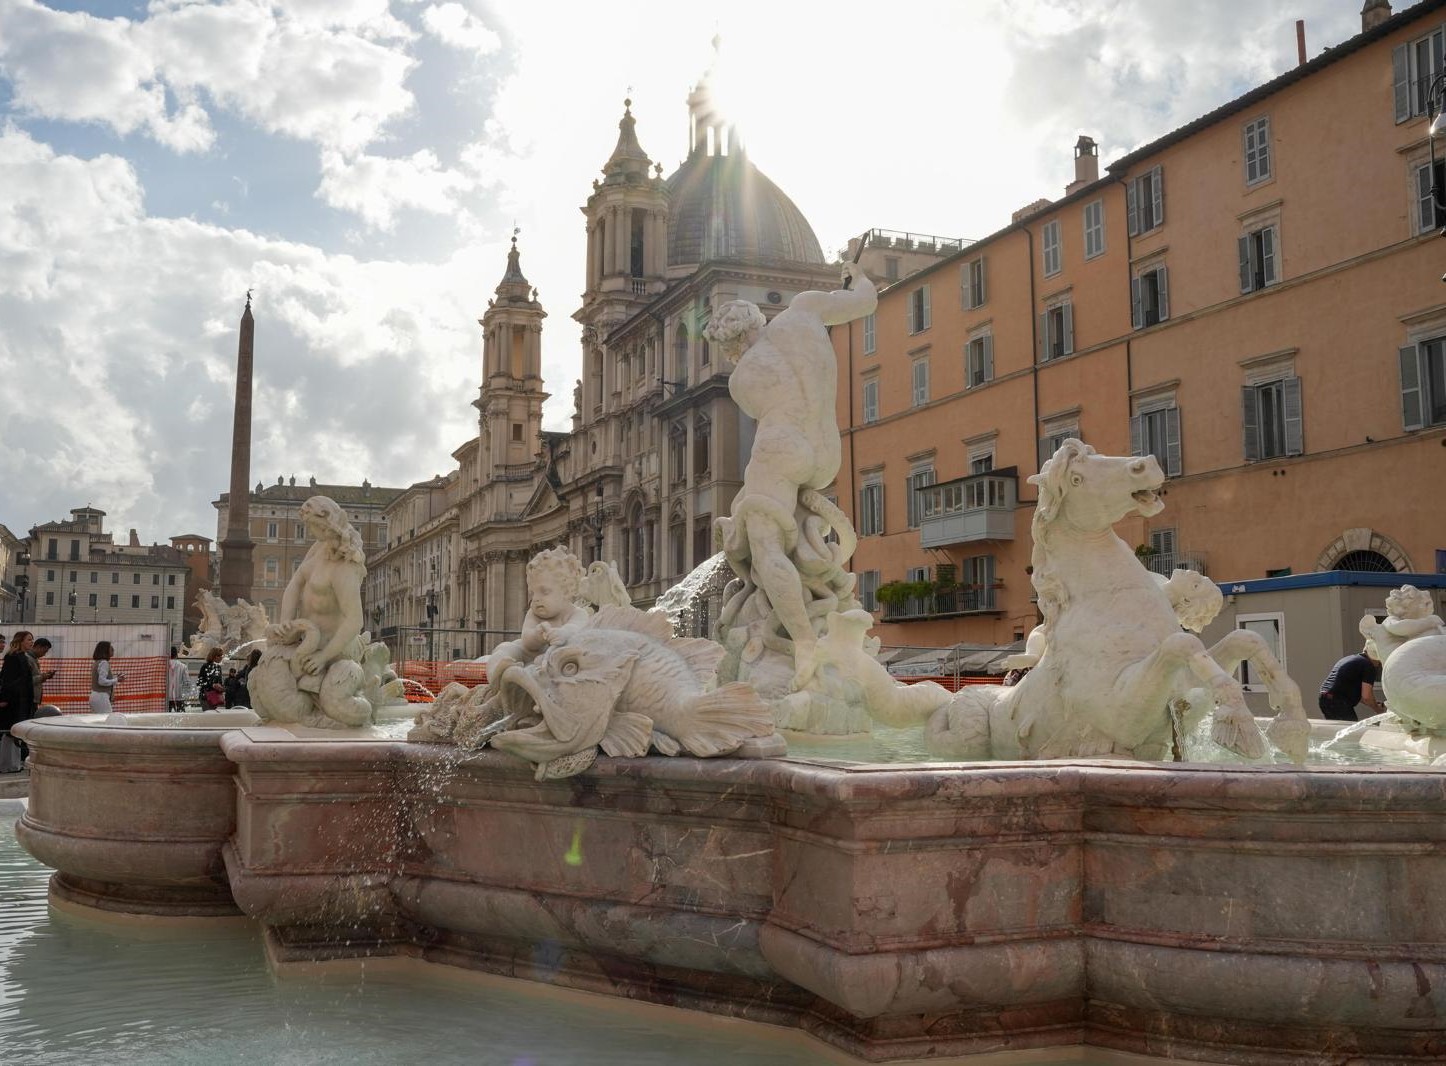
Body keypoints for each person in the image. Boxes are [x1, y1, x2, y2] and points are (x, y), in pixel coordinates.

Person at [706, 260, 878, 690]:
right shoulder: (804, 310)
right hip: (824, 452)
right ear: (757, 317)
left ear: (730, 345)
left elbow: (764, 412)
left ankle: (802, 640)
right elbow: (865, 301)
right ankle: (820, 585)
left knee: (763, 542)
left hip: (781, 447)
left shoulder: (742, 377)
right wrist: (856, 275)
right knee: (781, 522)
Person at [0, 632, 38, 772]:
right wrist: (5, 698)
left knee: (15, 732)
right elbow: (7, 680)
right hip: (14, 700)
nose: (31, 642)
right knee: (10, 732)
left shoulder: (21, 657)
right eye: (29, 639)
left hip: (21, 699)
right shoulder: (13, 658)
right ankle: (7, 764)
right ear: (20, 641)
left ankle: (13, 763)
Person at [1319, 645, 1383, 721]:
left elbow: (1361, 696)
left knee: (1338, 729)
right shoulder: (1368, 665)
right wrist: (1378, 710)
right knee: (1351, 730)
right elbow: (1366, 696)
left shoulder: (1350, 659)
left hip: (1325, 698)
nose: (1380, 664)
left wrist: (1374, 703)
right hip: (1338, 701)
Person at [88, 641, 123, 714]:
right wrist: (116, 680)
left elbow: (101, 678)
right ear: (105, 650)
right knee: (107, 719)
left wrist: (115, 678)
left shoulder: (97, 662)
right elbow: (101, 681)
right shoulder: (104, 663)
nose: (113, 650)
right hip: (101, 696)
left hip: (95, 696)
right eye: (110, 648)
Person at [167, 646, 189, 712]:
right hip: (179, 697)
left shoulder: (163, 665)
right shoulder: (183, 666)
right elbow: (187, 683)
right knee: (181, 718)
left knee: (164, 718)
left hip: (166, 698)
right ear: (176, 654)